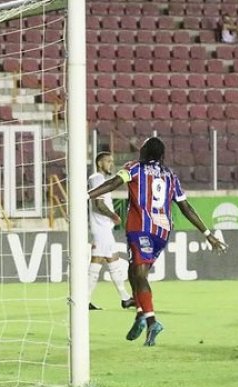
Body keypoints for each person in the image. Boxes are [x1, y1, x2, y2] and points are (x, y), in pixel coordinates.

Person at [87, 137, 227, 346]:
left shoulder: (134, 168)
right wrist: (207, 233)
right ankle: (140, 314)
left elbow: (113, 183)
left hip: (141, 228)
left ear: (144, 152)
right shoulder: (171, 175)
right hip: (162, 231)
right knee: (134, 272)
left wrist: (86, 195)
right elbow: (186, 207)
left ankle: (151, 320)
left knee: (139, 273)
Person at [86, 151, 135, 311]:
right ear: (100, 163)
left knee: (109, 261)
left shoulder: (101, 179)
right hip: (100, 228)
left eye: (112, 161)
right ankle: (84, 300)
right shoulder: (96, 179)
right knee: (101, 262)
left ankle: (125, 298)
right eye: (108, 161)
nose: (111, 164)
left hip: (104, 228)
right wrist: (113, 215)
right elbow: (97, 204)